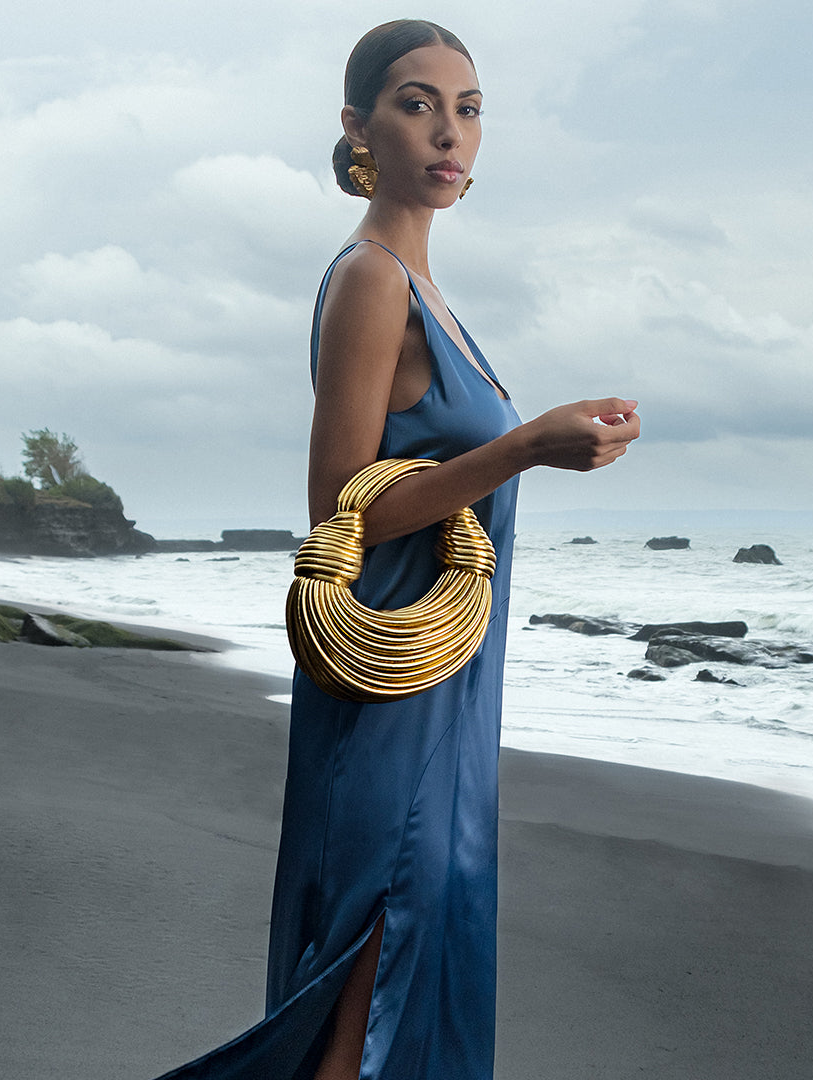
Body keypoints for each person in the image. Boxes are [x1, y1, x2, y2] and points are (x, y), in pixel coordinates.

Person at [151, 19, 638, 1080]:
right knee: (373, 968)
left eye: (467, 109)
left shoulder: (438, 299)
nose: (447, 131)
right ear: (358, 126)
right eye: (417, 103)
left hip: (452, 688)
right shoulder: (373, 277)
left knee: (408, 957)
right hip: (389, 687)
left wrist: (553, 440)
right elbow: (338, 509)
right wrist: (520, 447)